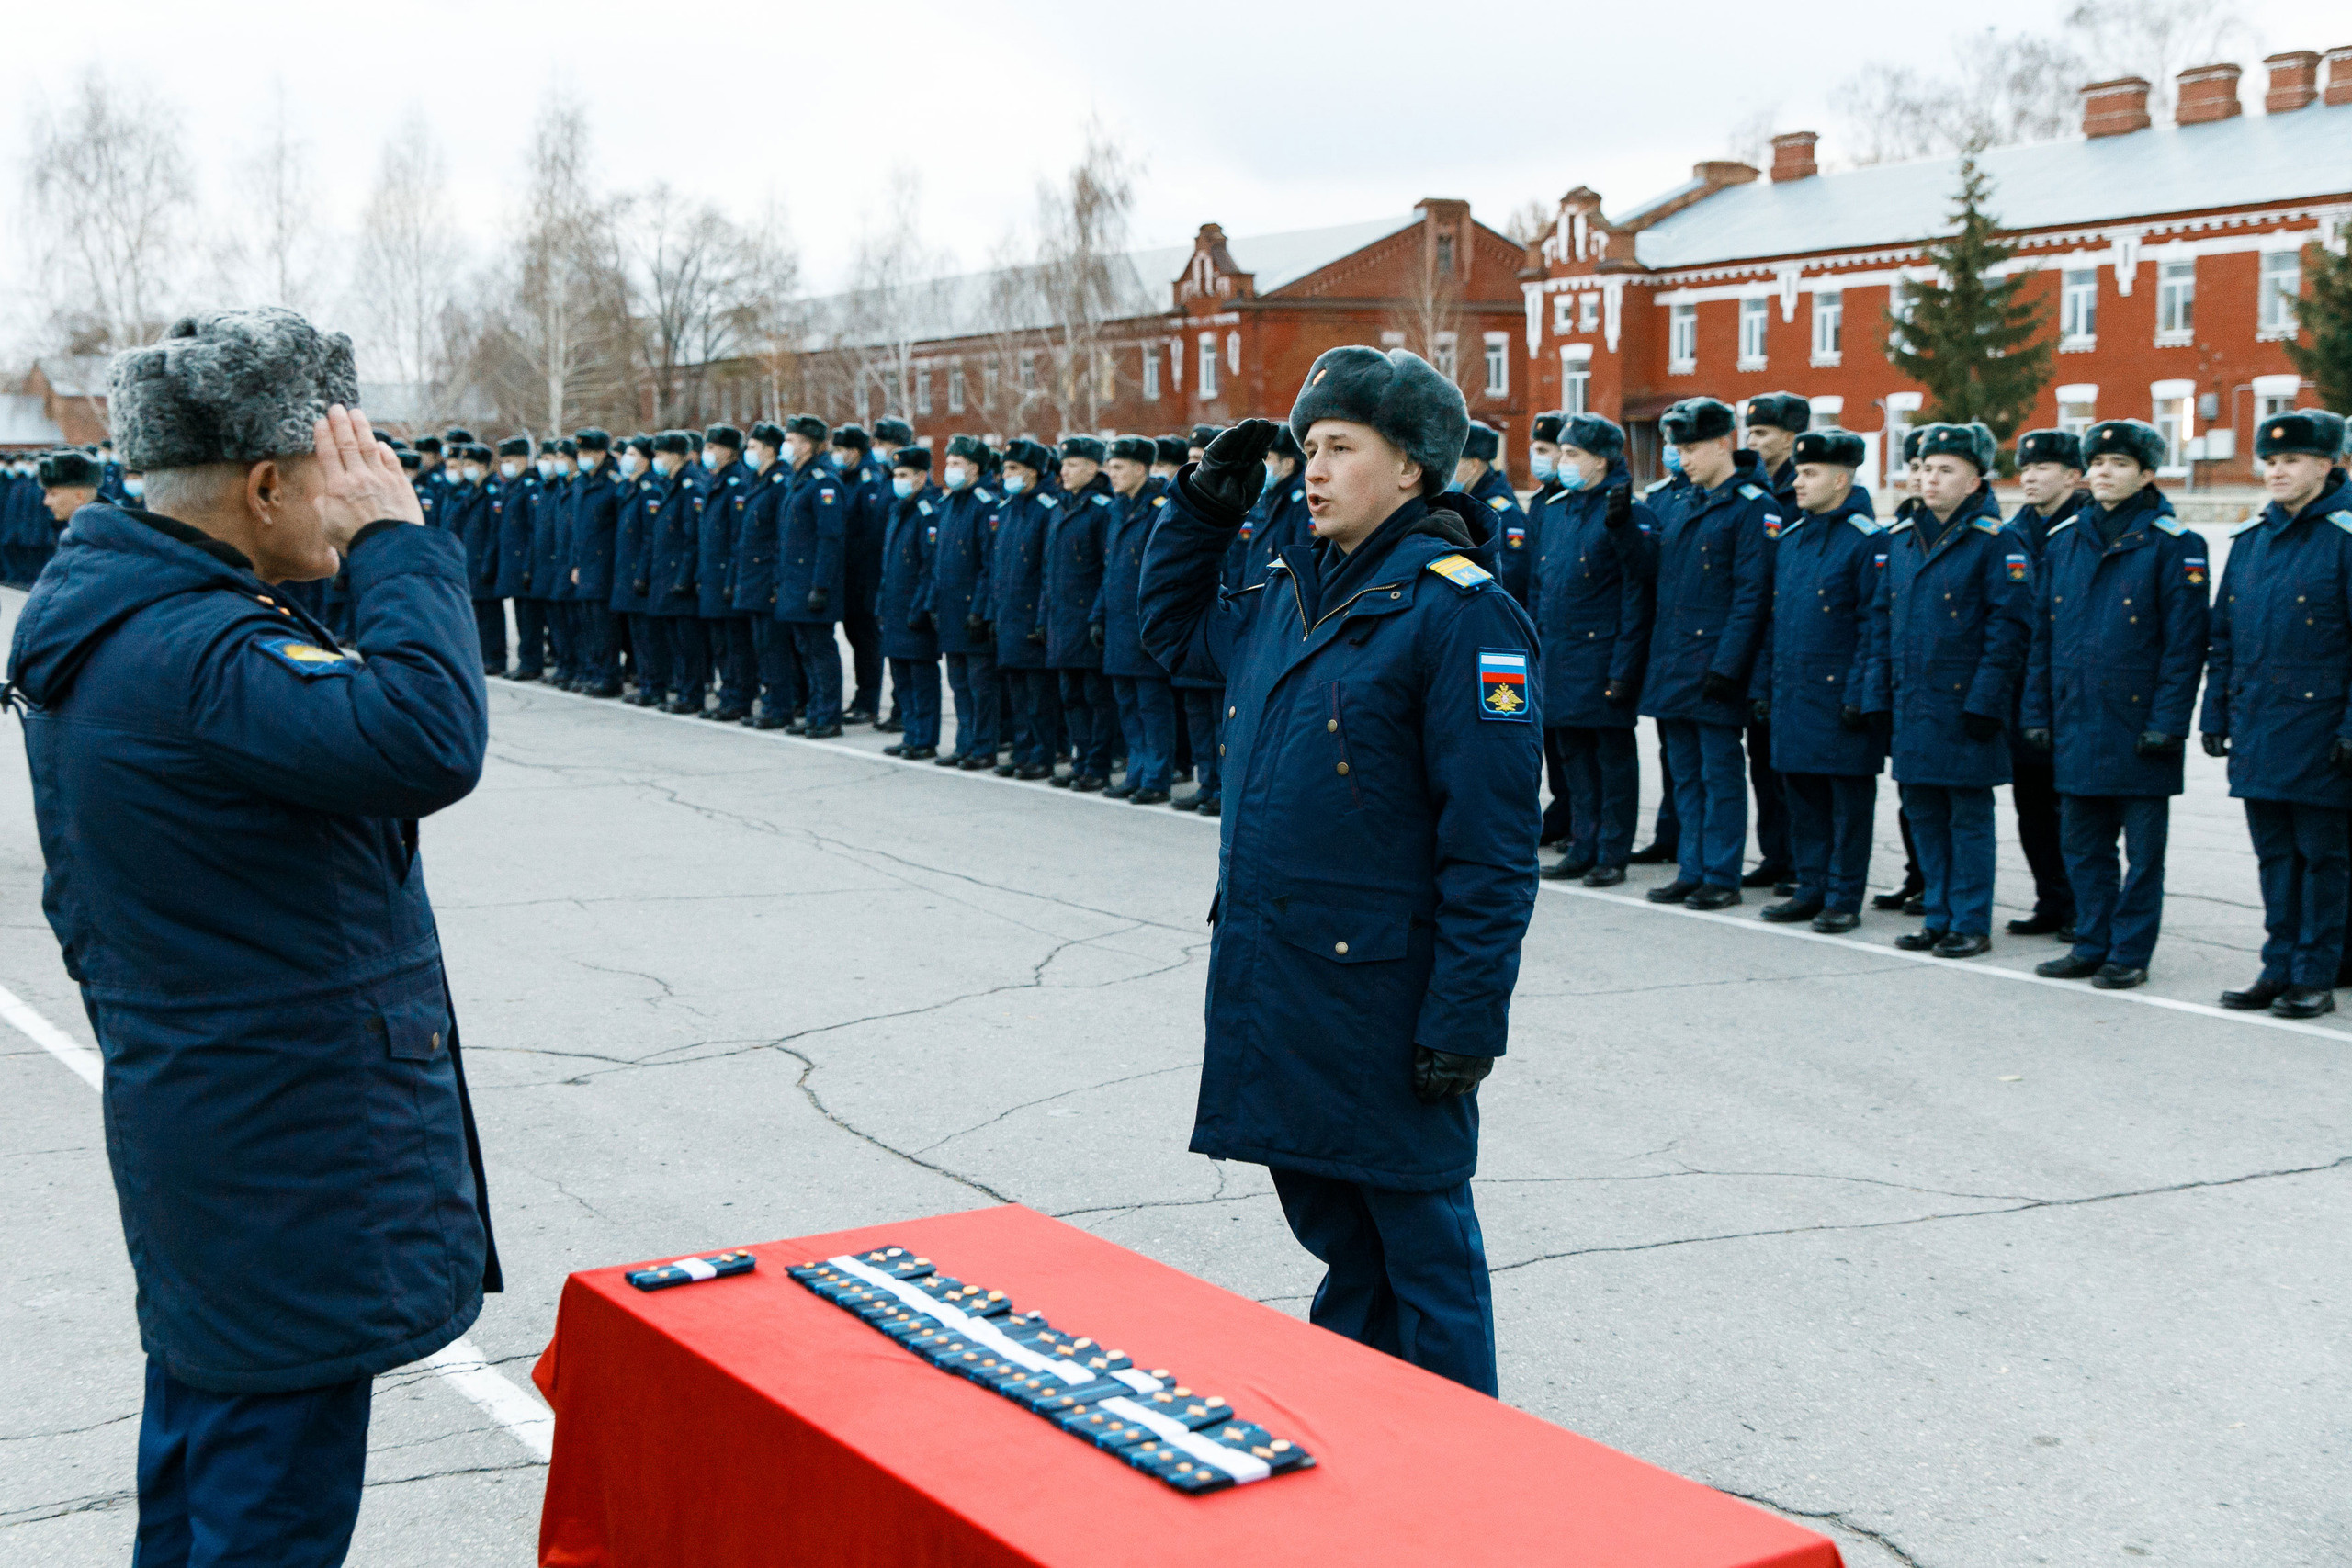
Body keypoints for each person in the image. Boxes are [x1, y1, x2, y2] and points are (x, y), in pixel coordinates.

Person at [5, 309, 496, 1565]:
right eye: (341, 476)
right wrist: (398, 541)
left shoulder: (122, 615)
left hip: (223, 1136)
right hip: (283, 1155)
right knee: (264, 1507)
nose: (354, 499)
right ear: (265, 481)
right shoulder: (198, 646)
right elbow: (428, 738)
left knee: (205, 1465)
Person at [1139, 346, 1540, 1396]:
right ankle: (1366, 1460)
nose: (1311, 470)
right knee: (1338, 1240)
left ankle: (1464, 1488)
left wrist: (1464, 1017)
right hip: (1283, 980)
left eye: (1340, 448)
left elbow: (1492, 850)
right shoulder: (1286, 592)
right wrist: (1201, 507)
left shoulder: (1460, 614)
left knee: (1422, 1253)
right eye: (1307, 448)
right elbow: (1168, 637)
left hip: (1385, 1000)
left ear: (1410, 469)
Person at [2018, 418, 2207, 991]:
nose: (2103, 472)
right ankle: (2092, 942)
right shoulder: (2065, 541)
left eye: (2119, 464)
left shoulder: (2175, 545)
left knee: (2143, 855)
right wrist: (2036, 714)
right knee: (2083, 845)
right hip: (2077, 721)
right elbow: (2042, 640)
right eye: (2097, 463)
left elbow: (2184, 647)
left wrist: (2168, 724)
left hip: (2140, 727)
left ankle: (2129, 952)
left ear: (2147, 474)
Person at [2201, 409, 2352, 1018]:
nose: (2277, 471)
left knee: (2323, 859)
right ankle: (2277, 965)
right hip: (2260, 726)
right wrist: (2215, 713)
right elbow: (2223, 637)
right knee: (2274, 857)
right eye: (2271, 460)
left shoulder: (2344, 539)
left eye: (2292, 460)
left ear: (2326, 464)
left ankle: (2315, 973)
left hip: (2322, 733)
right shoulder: (2251, 542)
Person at [1868, 422, 2030, 958]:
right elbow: (1880, 623)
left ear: (1974, 480)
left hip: (1964, 708)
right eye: (1922, 469)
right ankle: (1937, 914)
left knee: (1967, 817)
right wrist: (1876, 696)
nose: (1929, 480)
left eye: (1945, 470)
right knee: (1923, 815)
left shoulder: (1997, 543)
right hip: (1912, 703)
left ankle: (1970, 920)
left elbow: (2007, 631)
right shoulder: (1901, 540)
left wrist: (1985, 703)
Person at [1640, 397, 1775, 910]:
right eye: (1677, 448)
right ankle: (1692, 868)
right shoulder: (1682, 501)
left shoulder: (1752, 506)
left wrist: (1727, 666)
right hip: (1674, 661)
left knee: (1719, 775)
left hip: (1715, 666)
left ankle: (1721, 873)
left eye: (1692, 448)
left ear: (1724, 444)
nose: (1683, 458)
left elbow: (1751, 595)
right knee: (1685, 774)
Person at [1755, 429, 1883, 931]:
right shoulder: (1791, 540)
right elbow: (1776, 619)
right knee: (1802, 798)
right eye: (1800, 473)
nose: (1799, 483)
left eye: (1810, 474)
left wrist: (1860, 695)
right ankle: (1811, 887)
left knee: (1847, 806)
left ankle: (1844, 897)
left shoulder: (1866, 542)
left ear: (1843, 478)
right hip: (1795, 692)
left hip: (1840, 696)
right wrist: (1763, 687)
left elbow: (1875, 626)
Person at [1531, 412, 1654, 886]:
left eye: (1573, 455)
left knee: (1612, 762)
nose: (1563, 463)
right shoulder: (1559, 508)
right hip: (1559, 657)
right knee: (1574, 761)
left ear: (1602, 461)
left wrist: (1624, 668)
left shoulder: (1626, 511)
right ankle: (1583, 845)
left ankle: (1611, 852)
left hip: (1603, 658)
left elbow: (1636, 594)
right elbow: (1542, 588)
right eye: (1561, 453)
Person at [2001, 428, 2090, 939]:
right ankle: (2050, 900)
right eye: (2025, 469)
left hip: (2067, 688)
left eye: (2043, 469)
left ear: (2072, 477)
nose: (2030, 477)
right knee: (2031, 807)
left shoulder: (2083, 529)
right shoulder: (2014, 531)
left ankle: (2083, 904)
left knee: (2072, 811)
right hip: (2022, 689)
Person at [1738, 393, 1810, 891]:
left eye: (1763, 433)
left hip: (1793, 640)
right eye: (1750, 432)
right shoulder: (1752, 486)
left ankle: (1799, 860)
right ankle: (1775, 853)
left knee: (1793, 768)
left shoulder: (1807, 486)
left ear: (1791, 437)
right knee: (1761, 760)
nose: (1753, 441)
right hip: (1758, 644)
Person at [1098, 435, 1177, 804]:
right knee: (1127, 704)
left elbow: (1161, 573)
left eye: (1118, 467)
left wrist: (1155, 624)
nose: (1110, 474)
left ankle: (1156, 776)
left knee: (1152, 706)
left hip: (1145, 625)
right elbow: (1109, 568)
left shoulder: (1159, 508)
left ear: (1142, 469)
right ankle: (1136, 771)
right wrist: (1098, 614)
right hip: (1117, 623)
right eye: (1110, 467)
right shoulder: (1117, 510)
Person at [1043, 435, 1117, 790]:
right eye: (1063, 464)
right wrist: (1043, 617)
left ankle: (1097, 765)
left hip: (1087, 621)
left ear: (1091, 467)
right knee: (1070, 696)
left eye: (1071, 464)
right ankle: (1080, 760)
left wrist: (1098, 617)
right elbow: (1048, 570)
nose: (1064, 471)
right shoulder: (1060, 507)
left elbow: (1109, 568)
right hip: (1060, 621)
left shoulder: (1102, 509)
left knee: (1096, 698)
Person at [990, 438, 1061, 780]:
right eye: (1005, 469)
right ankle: (1022, 752)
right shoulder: (1007, 509)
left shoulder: (1047, 509)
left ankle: (1041, 755)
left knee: (1038, 697)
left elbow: (1048, 569)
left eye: (1014, 469)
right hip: (1009, 615)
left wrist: (1041, 619)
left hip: (1033, 617)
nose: (1007, 475)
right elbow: (997, 569)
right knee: (1017, 693)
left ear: (1033, 472)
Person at [775, 414, 848, 737]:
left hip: (812, 584)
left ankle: (829, 715)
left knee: (821, 650)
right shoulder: (799, 479)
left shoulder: (824, 482)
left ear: (807, 444)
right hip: (795, 582)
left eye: (791, 440)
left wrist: (821, 585)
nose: (785, 446)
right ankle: (816, 712)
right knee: (805, 649)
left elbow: (829, 539)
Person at [876, 444, 944, 759]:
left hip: (915, 613)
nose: (897, 480)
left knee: (921, 680)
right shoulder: (898, 510)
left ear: (920, 477)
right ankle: (911, 734)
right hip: (894, 610)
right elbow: (889, 564)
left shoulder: (927, 512)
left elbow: (930, 568)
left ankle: (924, 738)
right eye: (895, 474)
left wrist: (921, 608)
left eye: (904, 475)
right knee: (902, 678)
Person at [694, 424, 756, 721]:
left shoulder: (737, 483)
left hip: (726, 578)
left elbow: (736, 540)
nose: (709, 453)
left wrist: (732, 578)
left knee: (735, 644)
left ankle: (738, 698)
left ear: (729, 451)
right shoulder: (713, 481)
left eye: (714, 447)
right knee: (720, 644)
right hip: (711, 577)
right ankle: (727, 694)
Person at [644, 431, 707, 712]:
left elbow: (693, 539)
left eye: (662, 455)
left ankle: (691, 695)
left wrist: (684, 579)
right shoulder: (670, 485)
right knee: (675, 642)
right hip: (666, 578)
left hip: (681, 581)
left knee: (688, 643)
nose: (657, 460)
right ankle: (682, 691)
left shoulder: (690, 486)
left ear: (678, 456)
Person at [830, 423, 888, 724]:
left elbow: (871, 533)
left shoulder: (867, 481)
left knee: (866, 640)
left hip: (863, 575)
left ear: (855, 451)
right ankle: (862, 697)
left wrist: (867, 577)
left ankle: (869, 700)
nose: (836, 455)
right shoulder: (848, 478)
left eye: (840, 449)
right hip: (850, 574)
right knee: (855, 636)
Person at [864, 417, 917, 726]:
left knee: (901, 645)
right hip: (880, 571)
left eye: (882, 444)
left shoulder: (903, 481)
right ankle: (899, 709)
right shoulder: (884, 479)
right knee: (890, 644)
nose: (877, 449)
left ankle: (902, 709)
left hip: (899, 573)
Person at [569, 430, 624, 697]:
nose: (584, 458)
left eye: (589, 453)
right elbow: (578, 529)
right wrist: (575, 564)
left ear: (603, 453)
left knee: (605, 626)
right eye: (580, 454)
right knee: (588, 623)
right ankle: (593, 671)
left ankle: (609, 675)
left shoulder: (613, 483)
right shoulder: (580, 482)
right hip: (586, 564)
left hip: (605, 564)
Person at [1455, 419, 1530, 604]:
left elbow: (1509, 577)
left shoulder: (1503, 513)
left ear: (1473, 465)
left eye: (1453, 461)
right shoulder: (1465, 501)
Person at [492, 435, 539, 677]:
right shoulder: (510, 486)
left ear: (522, 459)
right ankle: (524, 661)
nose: (506, 464)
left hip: (525, 561)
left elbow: (532, 529)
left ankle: (531, 662)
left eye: (510, 460)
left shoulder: (530, 486)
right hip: (512, 561)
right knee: (519, 615)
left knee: (529, 618)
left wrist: (528, 564)